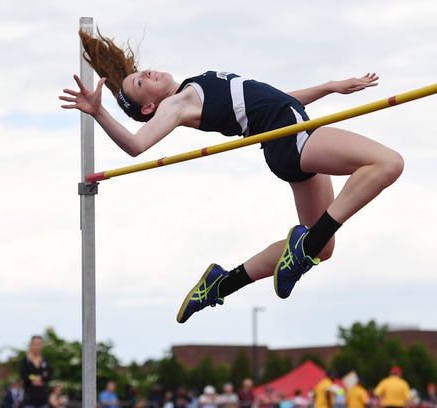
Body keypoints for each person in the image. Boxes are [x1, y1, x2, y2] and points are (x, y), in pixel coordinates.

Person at [60, 29, 404, 323]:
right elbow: (136, 146)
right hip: (290, 135)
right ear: (149, 107)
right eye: (141, 82)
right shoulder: (175, 105)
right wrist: (100, 111)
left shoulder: (195, 87)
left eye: (143, 72)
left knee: (323, 248)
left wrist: (328, 87)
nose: (148, 73)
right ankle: (305, 245)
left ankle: (221, 283)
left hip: (288, 132)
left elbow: (276, 99)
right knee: (387, 163)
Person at [20, 335, 52, 408]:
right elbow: (24, 376)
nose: (37, 346)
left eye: (39, 344)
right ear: (31, 345)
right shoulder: (25, 361)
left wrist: (38, 377)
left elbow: (49, 376)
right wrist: (34, 377)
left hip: (43, 399)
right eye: (35, 344)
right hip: (29, 399)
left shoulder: (45, 361)